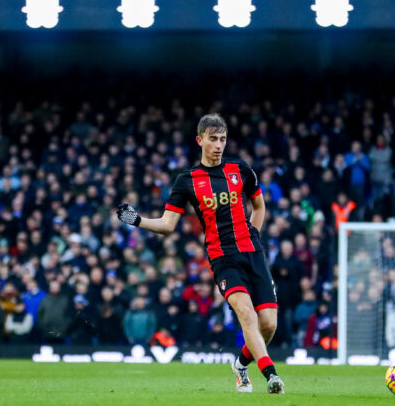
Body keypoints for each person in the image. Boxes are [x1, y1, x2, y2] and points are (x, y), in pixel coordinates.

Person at [118, 114, 284, 394]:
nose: (218, 145)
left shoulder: (241, 170)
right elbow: (168, 225)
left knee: (268, 324)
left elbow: (259, 205)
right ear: (200, 140)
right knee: (246, 313)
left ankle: (241, 365)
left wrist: (254, 234)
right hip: (223, 258)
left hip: (252, 253)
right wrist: (138, 221)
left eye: (222, 139)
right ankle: (271, 375)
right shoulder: (187, 180)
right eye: (213, 139)